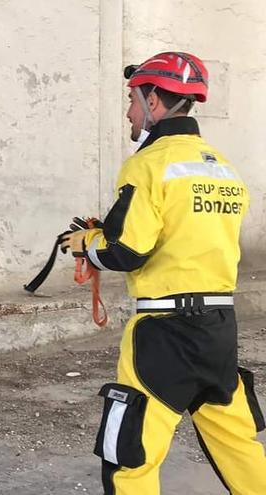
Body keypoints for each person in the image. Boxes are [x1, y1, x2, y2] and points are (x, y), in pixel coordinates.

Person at [61, 51, 266, 494]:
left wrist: (87, 245)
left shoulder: (147, 165)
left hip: (163, 333)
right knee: (237, 444)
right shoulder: (224, 169)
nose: (129, 112)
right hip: (219, 329)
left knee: (131, 455)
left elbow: (125, 252)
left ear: (154, 100)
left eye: (132, 101)